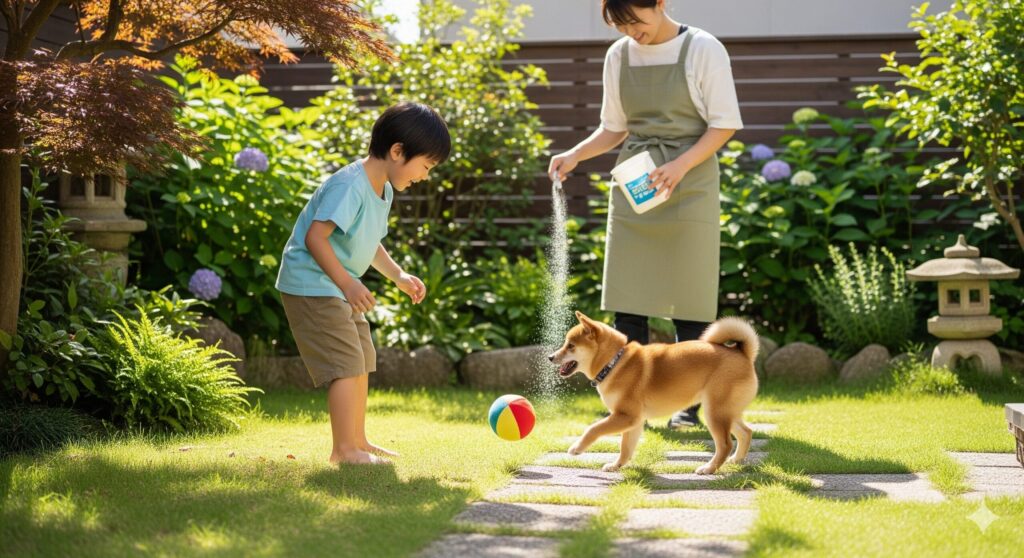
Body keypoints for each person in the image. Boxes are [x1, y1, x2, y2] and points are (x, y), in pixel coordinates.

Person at [548, 0, 743, 429]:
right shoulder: (618, 56)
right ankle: (627, 403)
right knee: (628, 296)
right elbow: (615, 127)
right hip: (637, 183)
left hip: (690, 181)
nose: (632, 33)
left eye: (637, 21)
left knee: (690, 297)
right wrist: (576, 154)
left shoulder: (703, 48)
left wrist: (680, 166)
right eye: (621, 26)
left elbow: (723, 124)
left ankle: (690, 408)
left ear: (660, 3)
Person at [276, 102, 450, 464]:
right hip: (312, 284)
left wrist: (399, 275)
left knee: (362, 357)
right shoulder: (351, 185)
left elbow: (369, 242)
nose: (425, 175)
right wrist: (348, 283)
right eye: (426, 165)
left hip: (333, 285)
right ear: (398, 151)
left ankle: (358, 440)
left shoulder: (381, 190)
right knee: (345, 363)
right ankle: (343, 450)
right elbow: (315, 238)